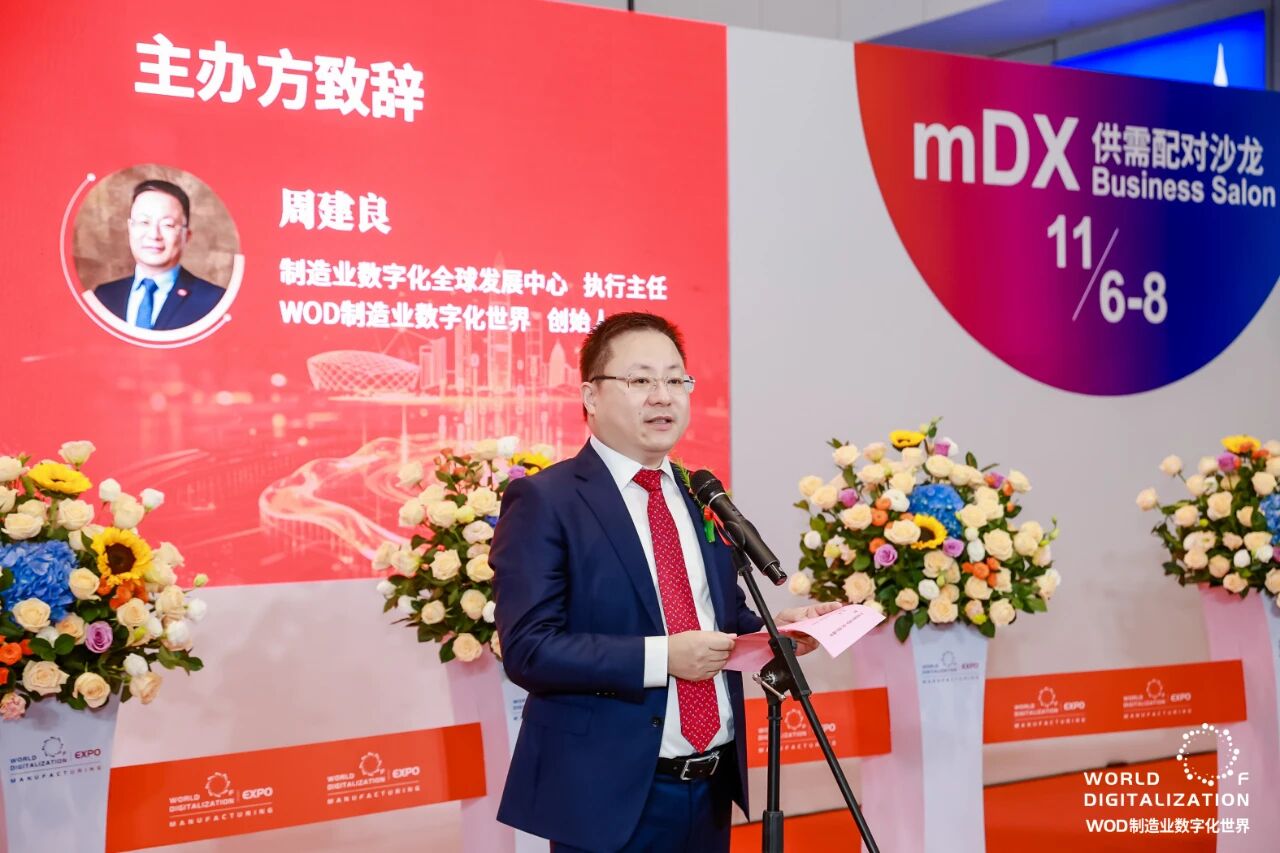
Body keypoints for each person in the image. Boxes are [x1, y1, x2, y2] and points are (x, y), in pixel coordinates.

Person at [491, 311, 838, 852]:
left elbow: (718, 618)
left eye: (676, 380)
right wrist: (663, 658)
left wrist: (777, 630)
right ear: (590, 395)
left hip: (711, 785)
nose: (663, 397)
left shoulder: (698, 492)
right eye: (640, 380)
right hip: (609, 796)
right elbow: (529, 650)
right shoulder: (547, 500)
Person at [93, 179, 225, 331]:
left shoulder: (214, 302)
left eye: (167, 225)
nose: (154, 235)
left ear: (186, 235)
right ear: (130, 228)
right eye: (144, 222)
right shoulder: (103, 296)